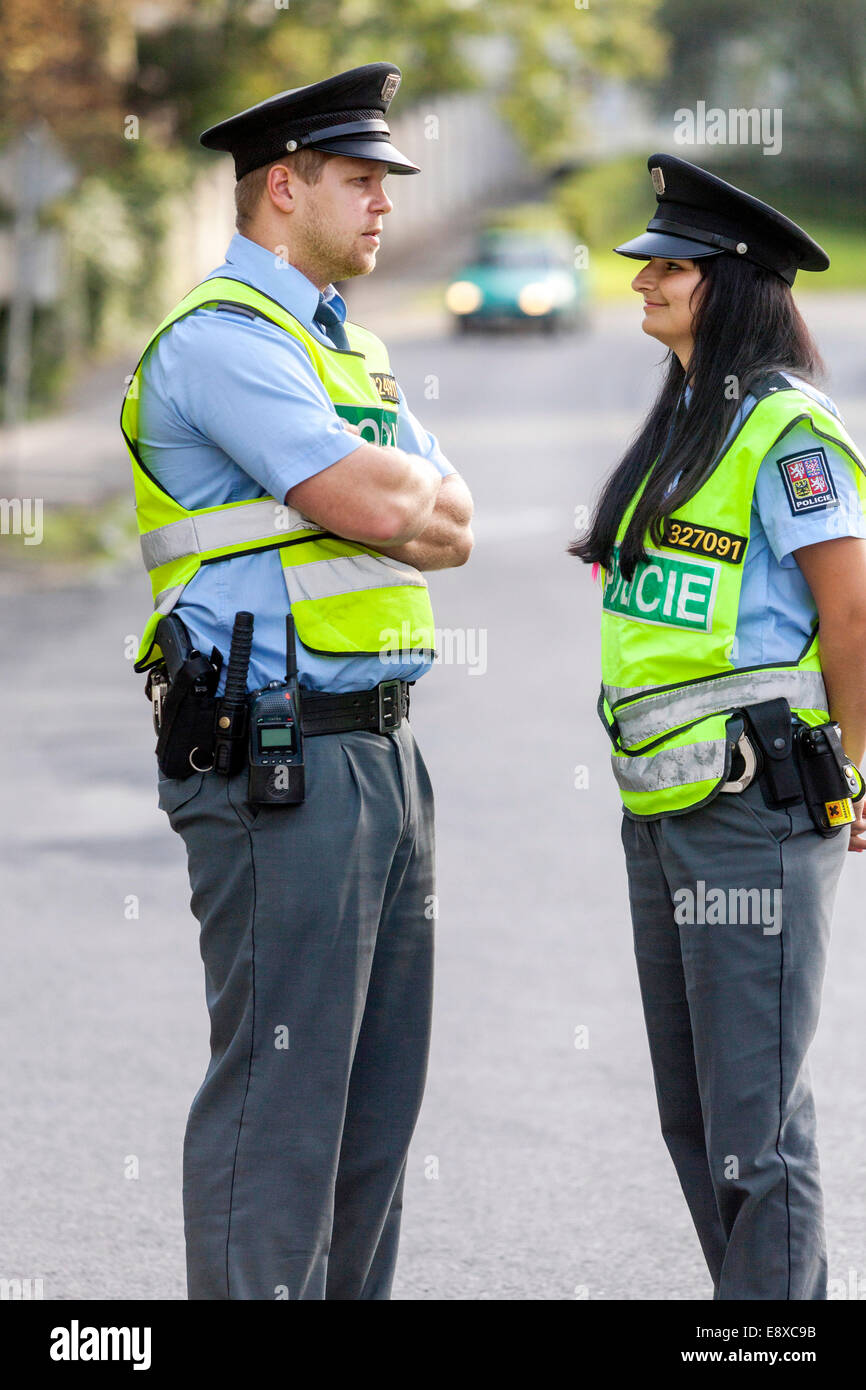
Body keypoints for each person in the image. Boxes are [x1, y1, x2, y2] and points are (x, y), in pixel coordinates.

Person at [120, 62, 474, 1300]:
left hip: (381, 752)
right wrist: (398, 502)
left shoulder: (350, 353)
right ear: (284, 185)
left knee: (373, 1115)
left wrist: (405, 505)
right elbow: (375, 499)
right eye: (361, 179)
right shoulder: (220, 343)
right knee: (282, 1109)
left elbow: (457, 521)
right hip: (278, 761)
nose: (383, 202)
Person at [572, 153, 866, 1300]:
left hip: (754, 804)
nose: (641, 279)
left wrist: (856, 770)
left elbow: (848, 610)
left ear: (733, 284)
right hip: (664, 803)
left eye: (668, 267)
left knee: (754, 1121)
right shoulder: (689, 418)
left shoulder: (786, 428)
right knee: (694, 1118)